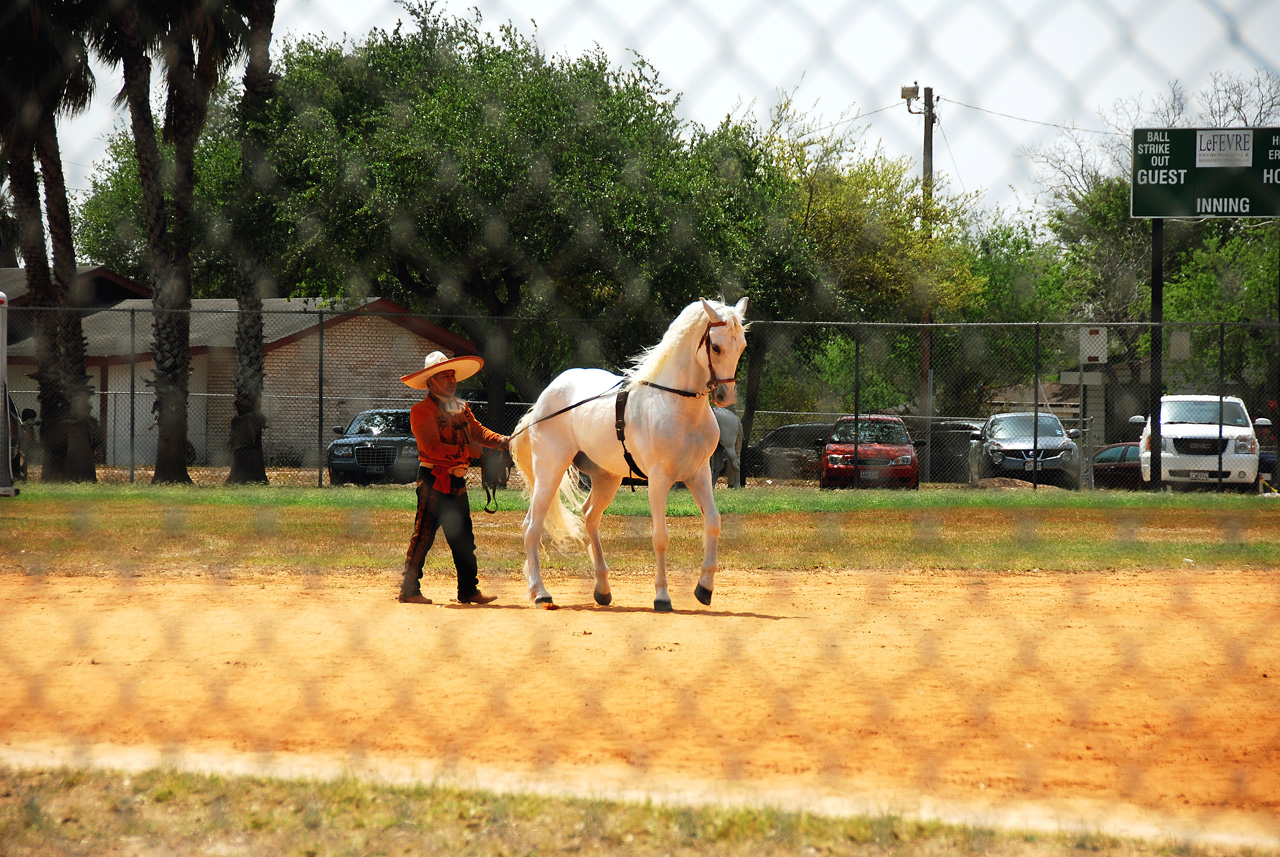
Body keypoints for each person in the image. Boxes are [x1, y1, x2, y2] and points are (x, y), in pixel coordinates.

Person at [398, 351, 510, 605]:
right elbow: (431, 448)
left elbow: (478, 432)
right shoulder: (421, 411)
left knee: (464, 539)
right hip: (433, 480)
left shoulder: (461, 406)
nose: (451, 380)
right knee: (424, 536)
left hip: (457, 482)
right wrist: (467, 452)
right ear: (431, 382)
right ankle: (409, 589)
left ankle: (468, 590)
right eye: (444, 376)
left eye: (452, 375)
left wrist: (501, 440)